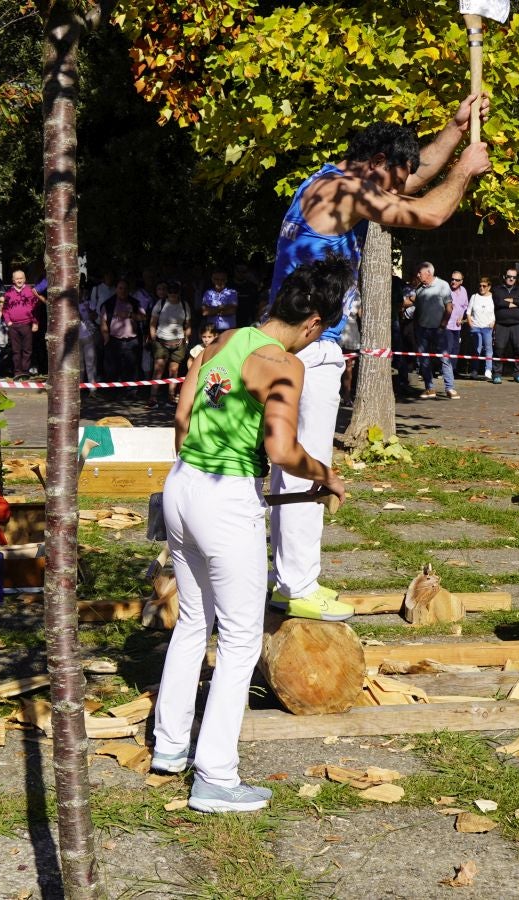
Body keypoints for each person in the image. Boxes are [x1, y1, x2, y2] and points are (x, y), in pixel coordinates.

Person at [265, 98, 490, 620]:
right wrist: (467, 169)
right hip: (308, 347)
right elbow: (430, 210)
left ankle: (288, 578)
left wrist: (456, 128)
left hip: (302, 341)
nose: (395, 190)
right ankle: (296, 586)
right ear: (377, 162)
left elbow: (416, 176)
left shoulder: (334, 181)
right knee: (306, 467)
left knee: (293, 465)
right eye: (392, 177)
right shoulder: (344, 189)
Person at [153, 257, 350, 814]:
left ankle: (170, 748)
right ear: (313, 324)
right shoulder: (283, 365)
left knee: (194, 622)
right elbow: (282, 451)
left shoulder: (222, 340)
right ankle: (215, 775)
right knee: (240, 640)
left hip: (183, 485)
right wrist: (326, 475)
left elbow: (183, 416)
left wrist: (194, 474)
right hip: (225, 495)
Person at [408, 262, 452, 398]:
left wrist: (443, 325)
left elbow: (449, 307)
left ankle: (450, 388)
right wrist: (416, 328)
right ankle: (429, 388)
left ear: (428, 272)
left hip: (438, 329)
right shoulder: (419, 289)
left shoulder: (443, 285)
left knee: (444, 358)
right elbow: (417, 310)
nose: (417, 275)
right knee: (424, 359)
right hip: (422, 329)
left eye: (420, 273)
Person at [148, 281, 191, 406]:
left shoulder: (184, 304)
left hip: (179, 341)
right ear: (167, 292)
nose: (173, 293)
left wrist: (186, 338)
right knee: (158, 369)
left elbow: (188, 324)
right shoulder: (160, 304)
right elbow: (153, 322)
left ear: (179, 292)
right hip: (161, 340)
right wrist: (153, 337)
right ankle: (153, 397)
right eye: (170, 291)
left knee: (174, 370)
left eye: (175, 291)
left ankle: (171, 397)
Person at [99, 279, 144, 382]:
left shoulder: (135, 303)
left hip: (132, 341)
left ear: (128, 290)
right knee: (112, 368)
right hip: (114, 340)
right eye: (120, 288)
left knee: (131, 368)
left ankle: (131, 392)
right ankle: (112, 393)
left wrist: (130, 315)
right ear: (116, 289)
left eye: (125, 288)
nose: (123, 291)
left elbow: (143, 317)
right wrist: (106, 337)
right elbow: (103, 322)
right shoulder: (108, 304)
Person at [1, 269, 41, 377]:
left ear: (25, 279)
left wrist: (35, 323)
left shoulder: (30, 291)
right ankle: (17, 372)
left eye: (21, 278)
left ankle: (25, 372)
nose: (19, 280)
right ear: (13, 280)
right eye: (17, 278)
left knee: (27, 350)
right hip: (13, 326)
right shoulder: (8, 293)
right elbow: (5, 309)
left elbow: (35, 308)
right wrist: (8, 322)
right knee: (16, 350)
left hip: (27, 324)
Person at [493, 267, 519, 383]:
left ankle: (518, 374)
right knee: (499, 349)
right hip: (501, 325)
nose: (511, 279)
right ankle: (497, 374)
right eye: (509, 277)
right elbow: (498, 301)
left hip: (517, 325)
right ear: (504, 277)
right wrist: (513, 302)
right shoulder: (497, 289)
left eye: (514, 277)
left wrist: (508, 301)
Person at [443, 269, 468, 390]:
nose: (453, 281)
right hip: (447, 325)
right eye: (452, 279)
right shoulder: (446, 291)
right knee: (448, 347)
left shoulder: (463, 291)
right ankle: (447, 373)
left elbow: (465, 306)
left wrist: (461, 317)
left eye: (457, 280)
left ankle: (452, 370)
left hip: (457, 326)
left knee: (455, 349)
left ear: (461, 281)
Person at [466, 276, 495, 381]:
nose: (482, 288)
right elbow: (468, 312)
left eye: (484, 286)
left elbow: (495, 312)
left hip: (487, 327)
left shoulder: (493, 297)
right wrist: (470, 324)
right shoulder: (474, 297)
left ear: (489, 287)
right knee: (476, 349)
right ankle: (474, 370)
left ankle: (488, 370)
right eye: (480, 286)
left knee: (488, 348)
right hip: (476, 326)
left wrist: (493, 322)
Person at [200, 269, 239, 333]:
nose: (219, 282)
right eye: (216, 279)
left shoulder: (232, 292)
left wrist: (212, 311)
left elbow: (232, 311)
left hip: (228, 330)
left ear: (226, 280)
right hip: (212, 330)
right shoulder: (207, 293)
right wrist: (222, 307)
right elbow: (205, 312)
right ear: (212, 280)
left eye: (222, 280)